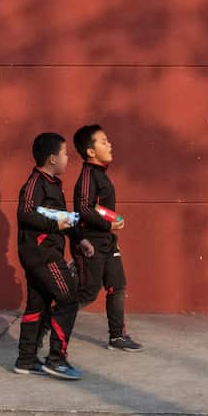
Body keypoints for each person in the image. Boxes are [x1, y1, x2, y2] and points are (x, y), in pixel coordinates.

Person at [12, 132, 90, 380]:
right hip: (42, 253)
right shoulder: (36, 182)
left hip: (45, 252)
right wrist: (56, 226)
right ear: (53, 158)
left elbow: (61, 216)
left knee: (38, 304)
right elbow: (25, 213)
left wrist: (80, 238)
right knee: (68, 299)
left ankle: (25, 359)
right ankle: (56, 359)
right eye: (66, 154)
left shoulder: (53, 183)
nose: (69, 158)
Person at [72, 124, 142, 351]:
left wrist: (112, 222)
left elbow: (97, 207)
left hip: (107, 240)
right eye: (103, 141)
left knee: (117, 286)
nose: (109, 144)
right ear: (90, 151)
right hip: (90, 242)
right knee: (88, 293)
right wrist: (108, 223)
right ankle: (49, 322)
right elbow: (83, 208)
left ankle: (117, 337)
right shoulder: (87, 176)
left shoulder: (101, 175)